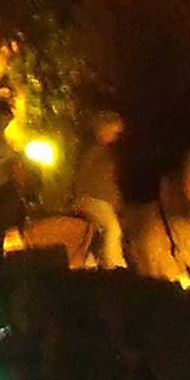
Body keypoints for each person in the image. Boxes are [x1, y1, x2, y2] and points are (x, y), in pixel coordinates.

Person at [67, 109, 126, 269]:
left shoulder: (106, 153)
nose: (115, 137)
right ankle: (113, 264)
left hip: (98, 201)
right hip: (91, 199)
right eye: (113, 132)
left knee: (97, 232)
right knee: (112, 228)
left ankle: (90, 261)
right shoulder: (94, 151)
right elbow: (85, 177)